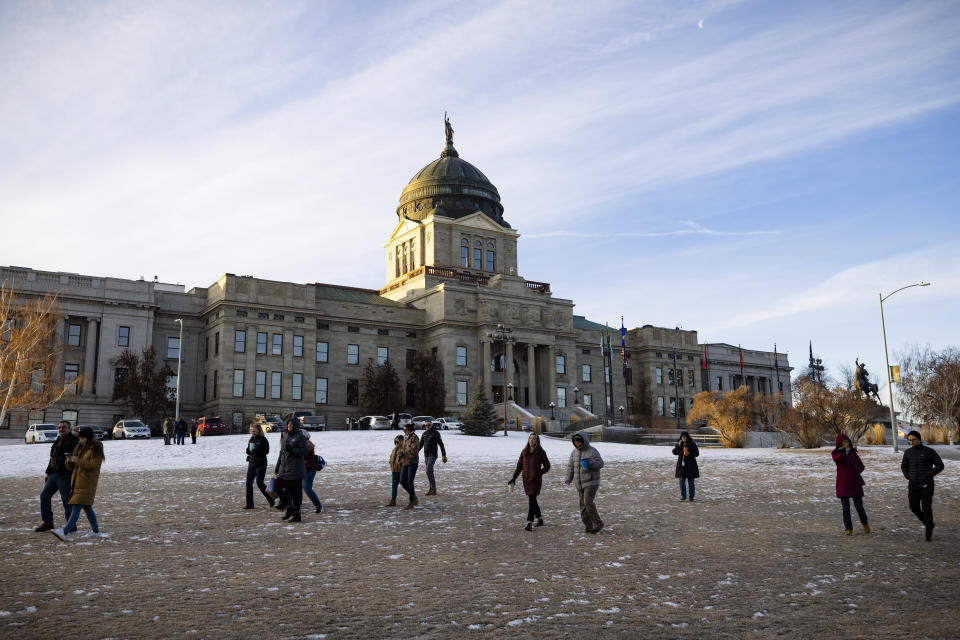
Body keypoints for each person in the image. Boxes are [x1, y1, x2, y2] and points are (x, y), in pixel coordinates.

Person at [51, 426, 105, 540]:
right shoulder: (80, 447)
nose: (80, 440)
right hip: (77, 481)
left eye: (83, 438)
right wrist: (69, 461)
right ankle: (95, 531)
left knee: (76, 506)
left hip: (87, 482)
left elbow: (93, 466)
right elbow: (72, 468)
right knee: (87, 507)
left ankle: (64, 532)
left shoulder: (96, 448)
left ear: (88, 438)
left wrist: (77, 460)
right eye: (80, 438)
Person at [35, 421, 79, 532]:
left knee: (66, 500)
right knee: (44, 496)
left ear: (69, 428)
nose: (61, 429)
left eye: (64, 427)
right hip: (53, 474)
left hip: (65, 475)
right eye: (59, 427)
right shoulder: (58, 440)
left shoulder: (74, 441)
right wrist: (48, 472)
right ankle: (48, 523)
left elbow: (78, 457)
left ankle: (71, 524)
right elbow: (53, 458)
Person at [901, 430, 944, 541]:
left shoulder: (929, 451)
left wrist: (928, 475)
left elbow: (940, 465)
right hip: (913, 484)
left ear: (919, 439)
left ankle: (928, 534)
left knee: (926, 508)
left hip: (927, 485)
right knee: (913, 507)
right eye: (909, 440)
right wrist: (908, 476)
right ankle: (928, 523)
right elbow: (903, 467)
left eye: (914, 440)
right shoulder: (907, 452)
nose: (911, 442)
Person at [509, 433, 551, 531]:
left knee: (531, 501)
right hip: (526, 480)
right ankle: (540, 519)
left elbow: (547, 466)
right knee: (533, 500)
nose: (531, 440)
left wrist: (538, 473)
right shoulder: (524, 452)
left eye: (534, 439)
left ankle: (529, 522)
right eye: (530, 438)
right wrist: (513, 478)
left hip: (535, 480)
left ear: (537, 441)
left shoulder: (541, 452)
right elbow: (519, 467)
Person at [565, 430, 604, 534]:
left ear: (584, 441)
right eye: (575, 442)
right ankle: (589, 526)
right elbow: (570, 467)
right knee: (582, 506)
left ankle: (598, 524)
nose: (577, 444)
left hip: (591, 482)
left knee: (588, 502)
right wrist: (568, 478)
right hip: (579, 483)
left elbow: (600, 463)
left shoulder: (592, 451)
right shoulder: (574, 452)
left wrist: (591, 463)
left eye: (579, 442)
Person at [831, 434, 869, 535]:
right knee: (845, 508)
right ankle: (848, 528)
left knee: (859, 506)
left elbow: (861, 466)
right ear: (839, 443)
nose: (846, 443)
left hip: (855, 483)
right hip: (842, 483)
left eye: (847, 441)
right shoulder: (836, 453)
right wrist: (842, 451)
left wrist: (856, 472)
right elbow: (837, 460)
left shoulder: (853, 453)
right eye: (844, 442)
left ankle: (865, 523)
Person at [274, 418, 308, 522]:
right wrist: (277, 467)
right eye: (288, 424)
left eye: (292, 424)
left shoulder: (300, 437)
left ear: (296, 425)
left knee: (294, 493)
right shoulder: (286, 436)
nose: (289, 426)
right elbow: (281, 453)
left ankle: (297, 514)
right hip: (284, 469)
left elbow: (304, 451)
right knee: (277, 487)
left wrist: (292, 450)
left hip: (295, 470)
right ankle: (289, 508)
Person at [244, 423, 273, 510]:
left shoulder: (263, 439)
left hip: (261, 464)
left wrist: (257, 451)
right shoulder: (251, 439)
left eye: (254, 430)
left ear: (258, 430)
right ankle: (249, 504)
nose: (252, 432)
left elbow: (266, 451)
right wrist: (248, 451)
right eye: (251, 430)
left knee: (259, 483)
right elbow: (249, 451)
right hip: (252, 463)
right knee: (248, 483)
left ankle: (270, 498)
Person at [418, 420, 447, 496]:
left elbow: (441, 444)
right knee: (430, 472)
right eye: (425, 425)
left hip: (433, 455)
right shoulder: (424, 434)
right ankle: (432, 489)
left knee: (428, 471)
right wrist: (415, 452)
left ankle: (433, 490)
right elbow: (420, 445)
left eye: (428, 425)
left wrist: (444, 455)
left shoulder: (435, 433)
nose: (427, 426)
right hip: (426, 455)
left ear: (431, 425)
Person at [672, 431, 700, 502]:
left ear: (687, 437)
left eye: (685, 436)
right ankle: (683, 496)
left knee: (691, 483)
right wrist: (678, 445)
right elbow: (675, 452)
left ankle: (691, 497)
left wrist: (689, 453)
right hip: (682, 466)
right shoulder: (679, 444)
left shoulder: (692, 444)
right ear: (681, 437)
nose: (684, 437)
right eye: (682, 436)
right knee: (681, 481)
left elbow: (697, 453)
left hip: (691, 466)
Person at [301, 430, 323, 514]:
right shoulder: (300, 444)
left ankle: (318, 505)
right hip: (300, 470)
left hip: (309, 470)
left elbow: (303, 454)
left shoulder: (308, 444)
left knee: (307, 488)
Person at [399, 423, 420, 509]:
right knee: (402, 481)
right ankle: (414, 496)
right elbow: (402, 448)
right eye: (403, 430)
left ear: (410, 430)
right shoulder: (404, 438)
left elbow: (414, 450)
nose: (404, 432)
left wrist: (405, 452)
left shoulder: (415, 438)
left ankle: (411, 502)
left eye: (405, 430)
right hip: (405, 462)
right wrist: (400, 453)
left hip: (412, 462)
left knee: (410, 482)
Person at [387, 434, 404, 507]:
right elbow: (391, 457)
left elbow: (405, 459)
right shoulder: (394, 449)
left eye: (398, 442)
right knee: (394, 486)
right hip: (394, 470)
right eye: (395, 442)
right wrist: (390, 462)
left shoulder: (403, 449)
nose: (396, 444)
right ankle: (393, 500)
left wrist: (401, 460)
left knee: (405, 485)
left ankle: (413, 497)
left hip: (401, 470)